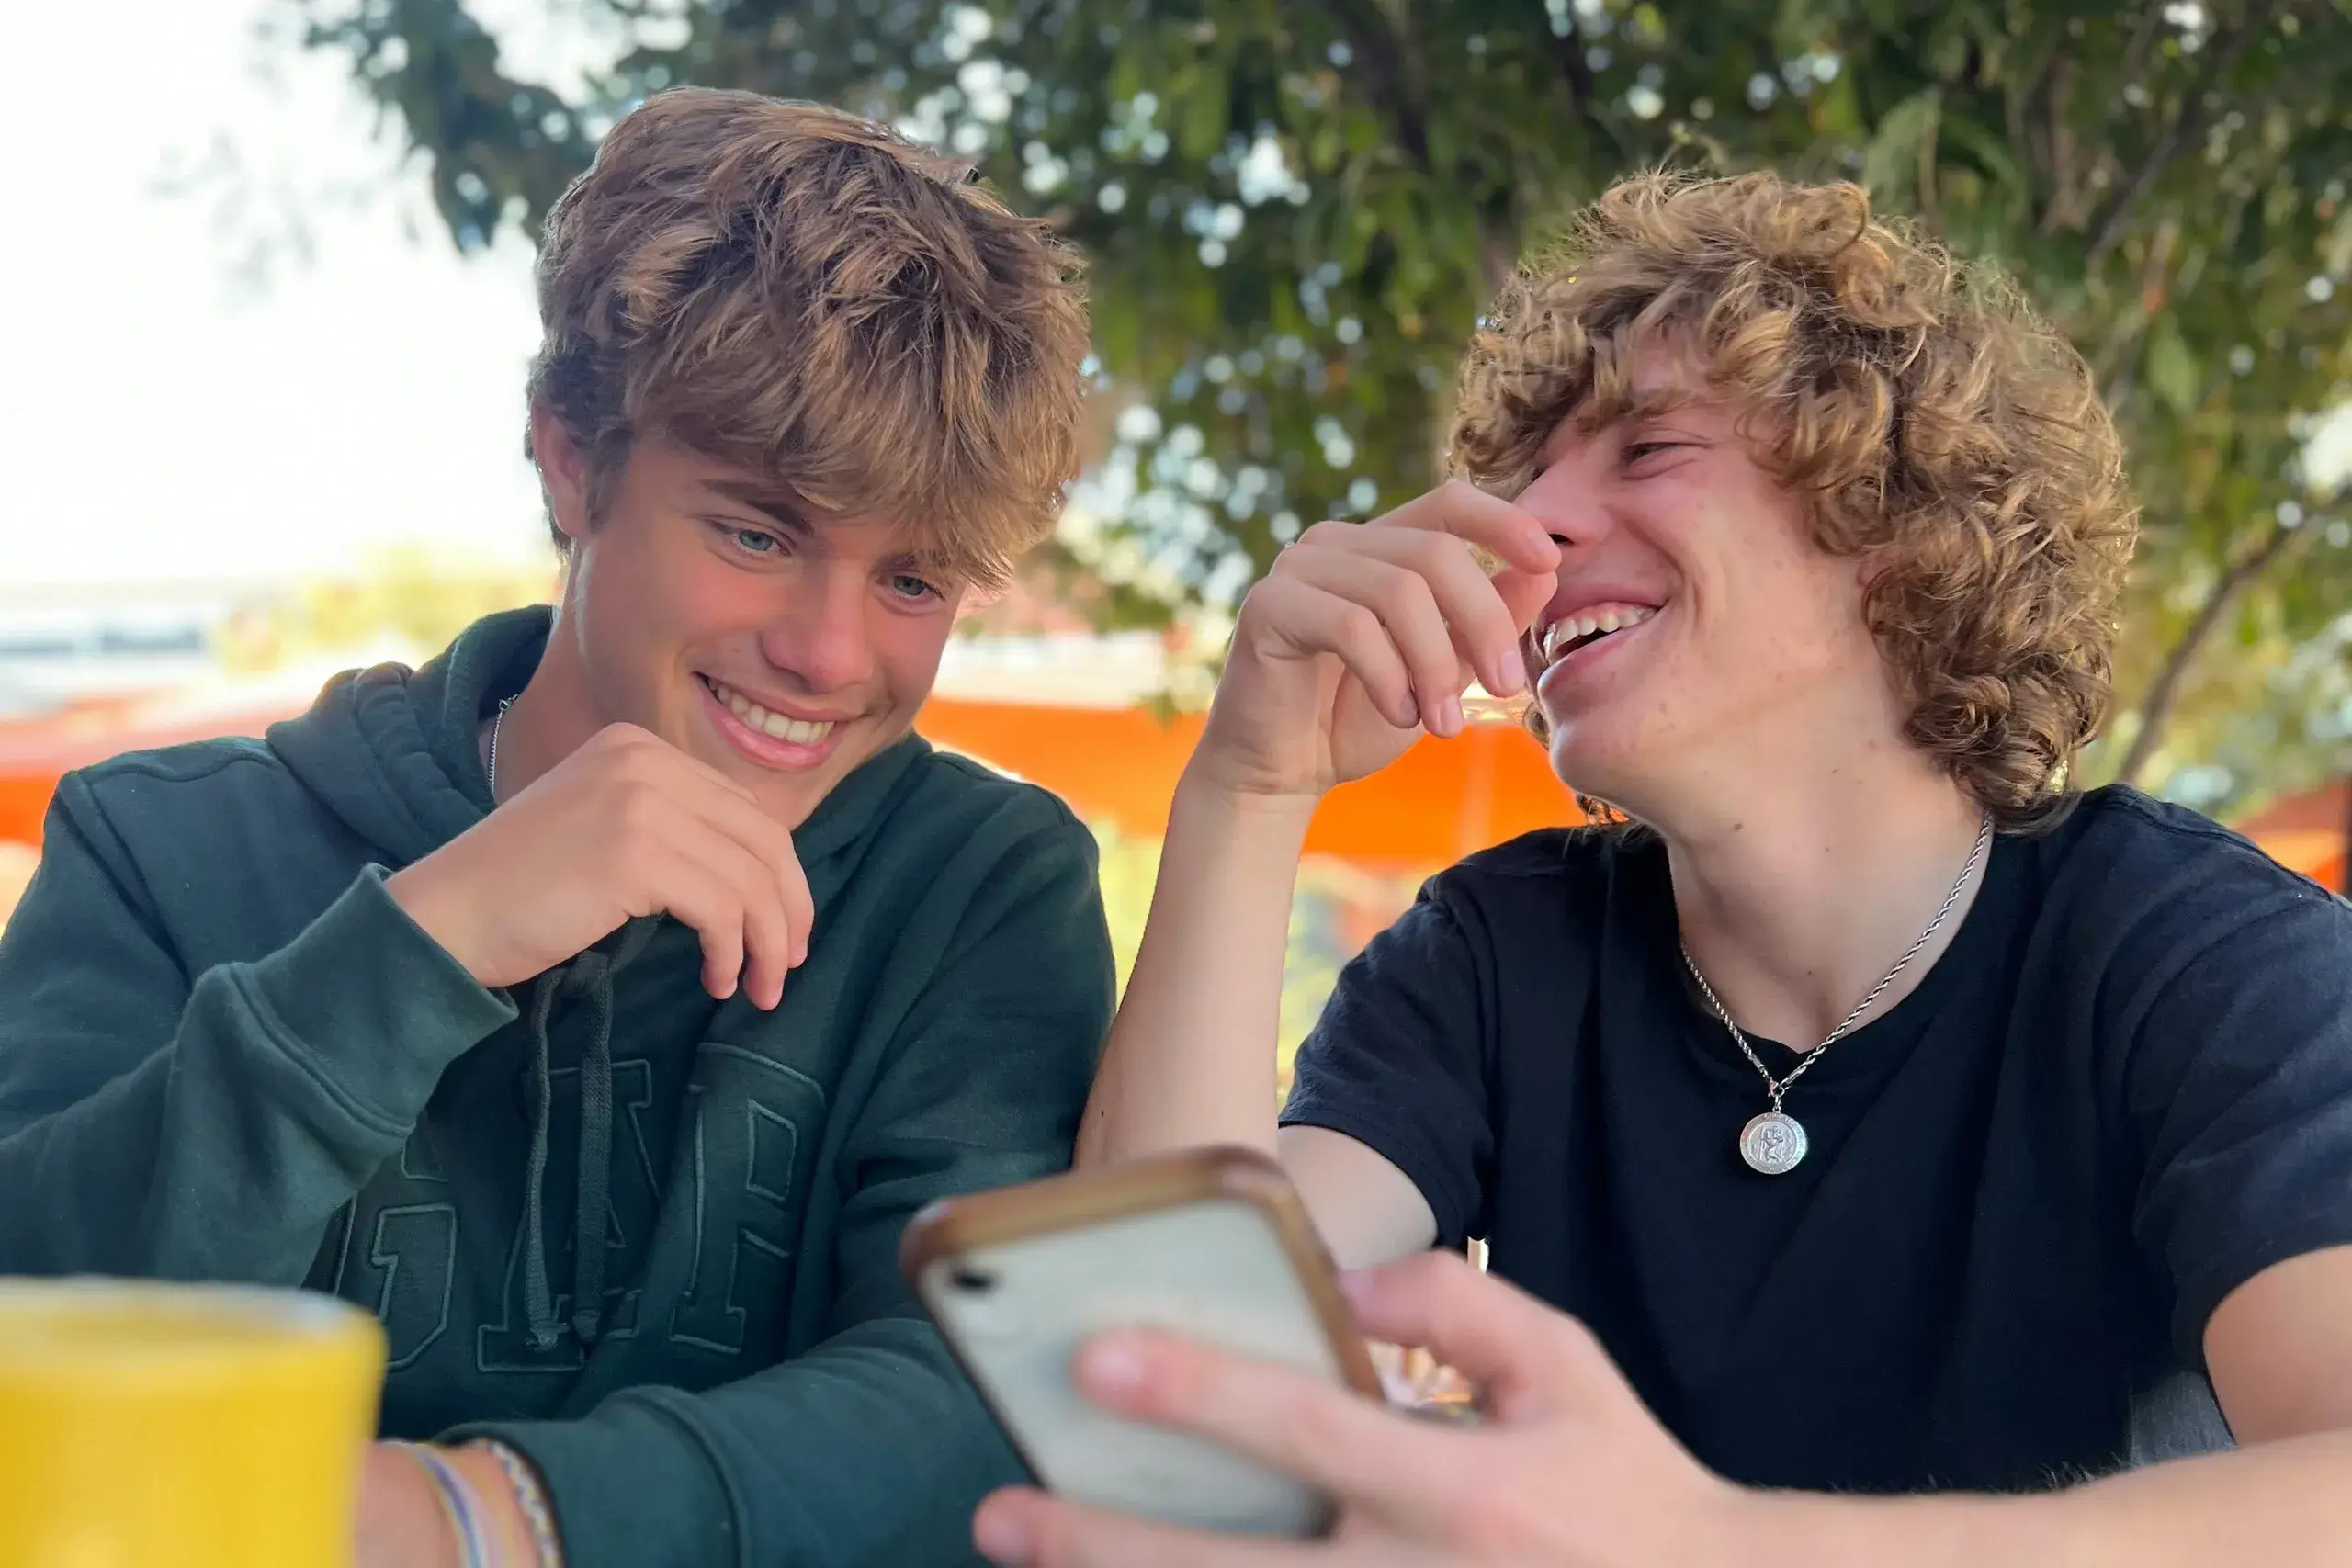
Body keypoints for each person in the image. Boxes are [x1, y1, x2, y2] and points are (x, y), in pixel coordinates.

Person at [978, 172, 2352, 1566]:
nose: (1530, 527)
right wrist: (1250, 785)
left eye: (1647, 451)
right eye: (1523, 483)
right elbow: (1157, 1377)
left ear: (1888, 531)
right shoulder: (1498, 953)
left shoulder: (2192, 953)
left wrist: (1714, 1544)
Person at [0, 88, 1112, 1568]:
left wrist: (480, 1516)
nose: (834, 655)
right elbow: (33, 1334)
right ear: (572, 459)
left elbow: (1004, 1406)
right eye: (760, 532)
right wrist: (425, 941)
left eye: (914, 581)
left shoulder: (980, 888)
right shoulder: (162, 846)